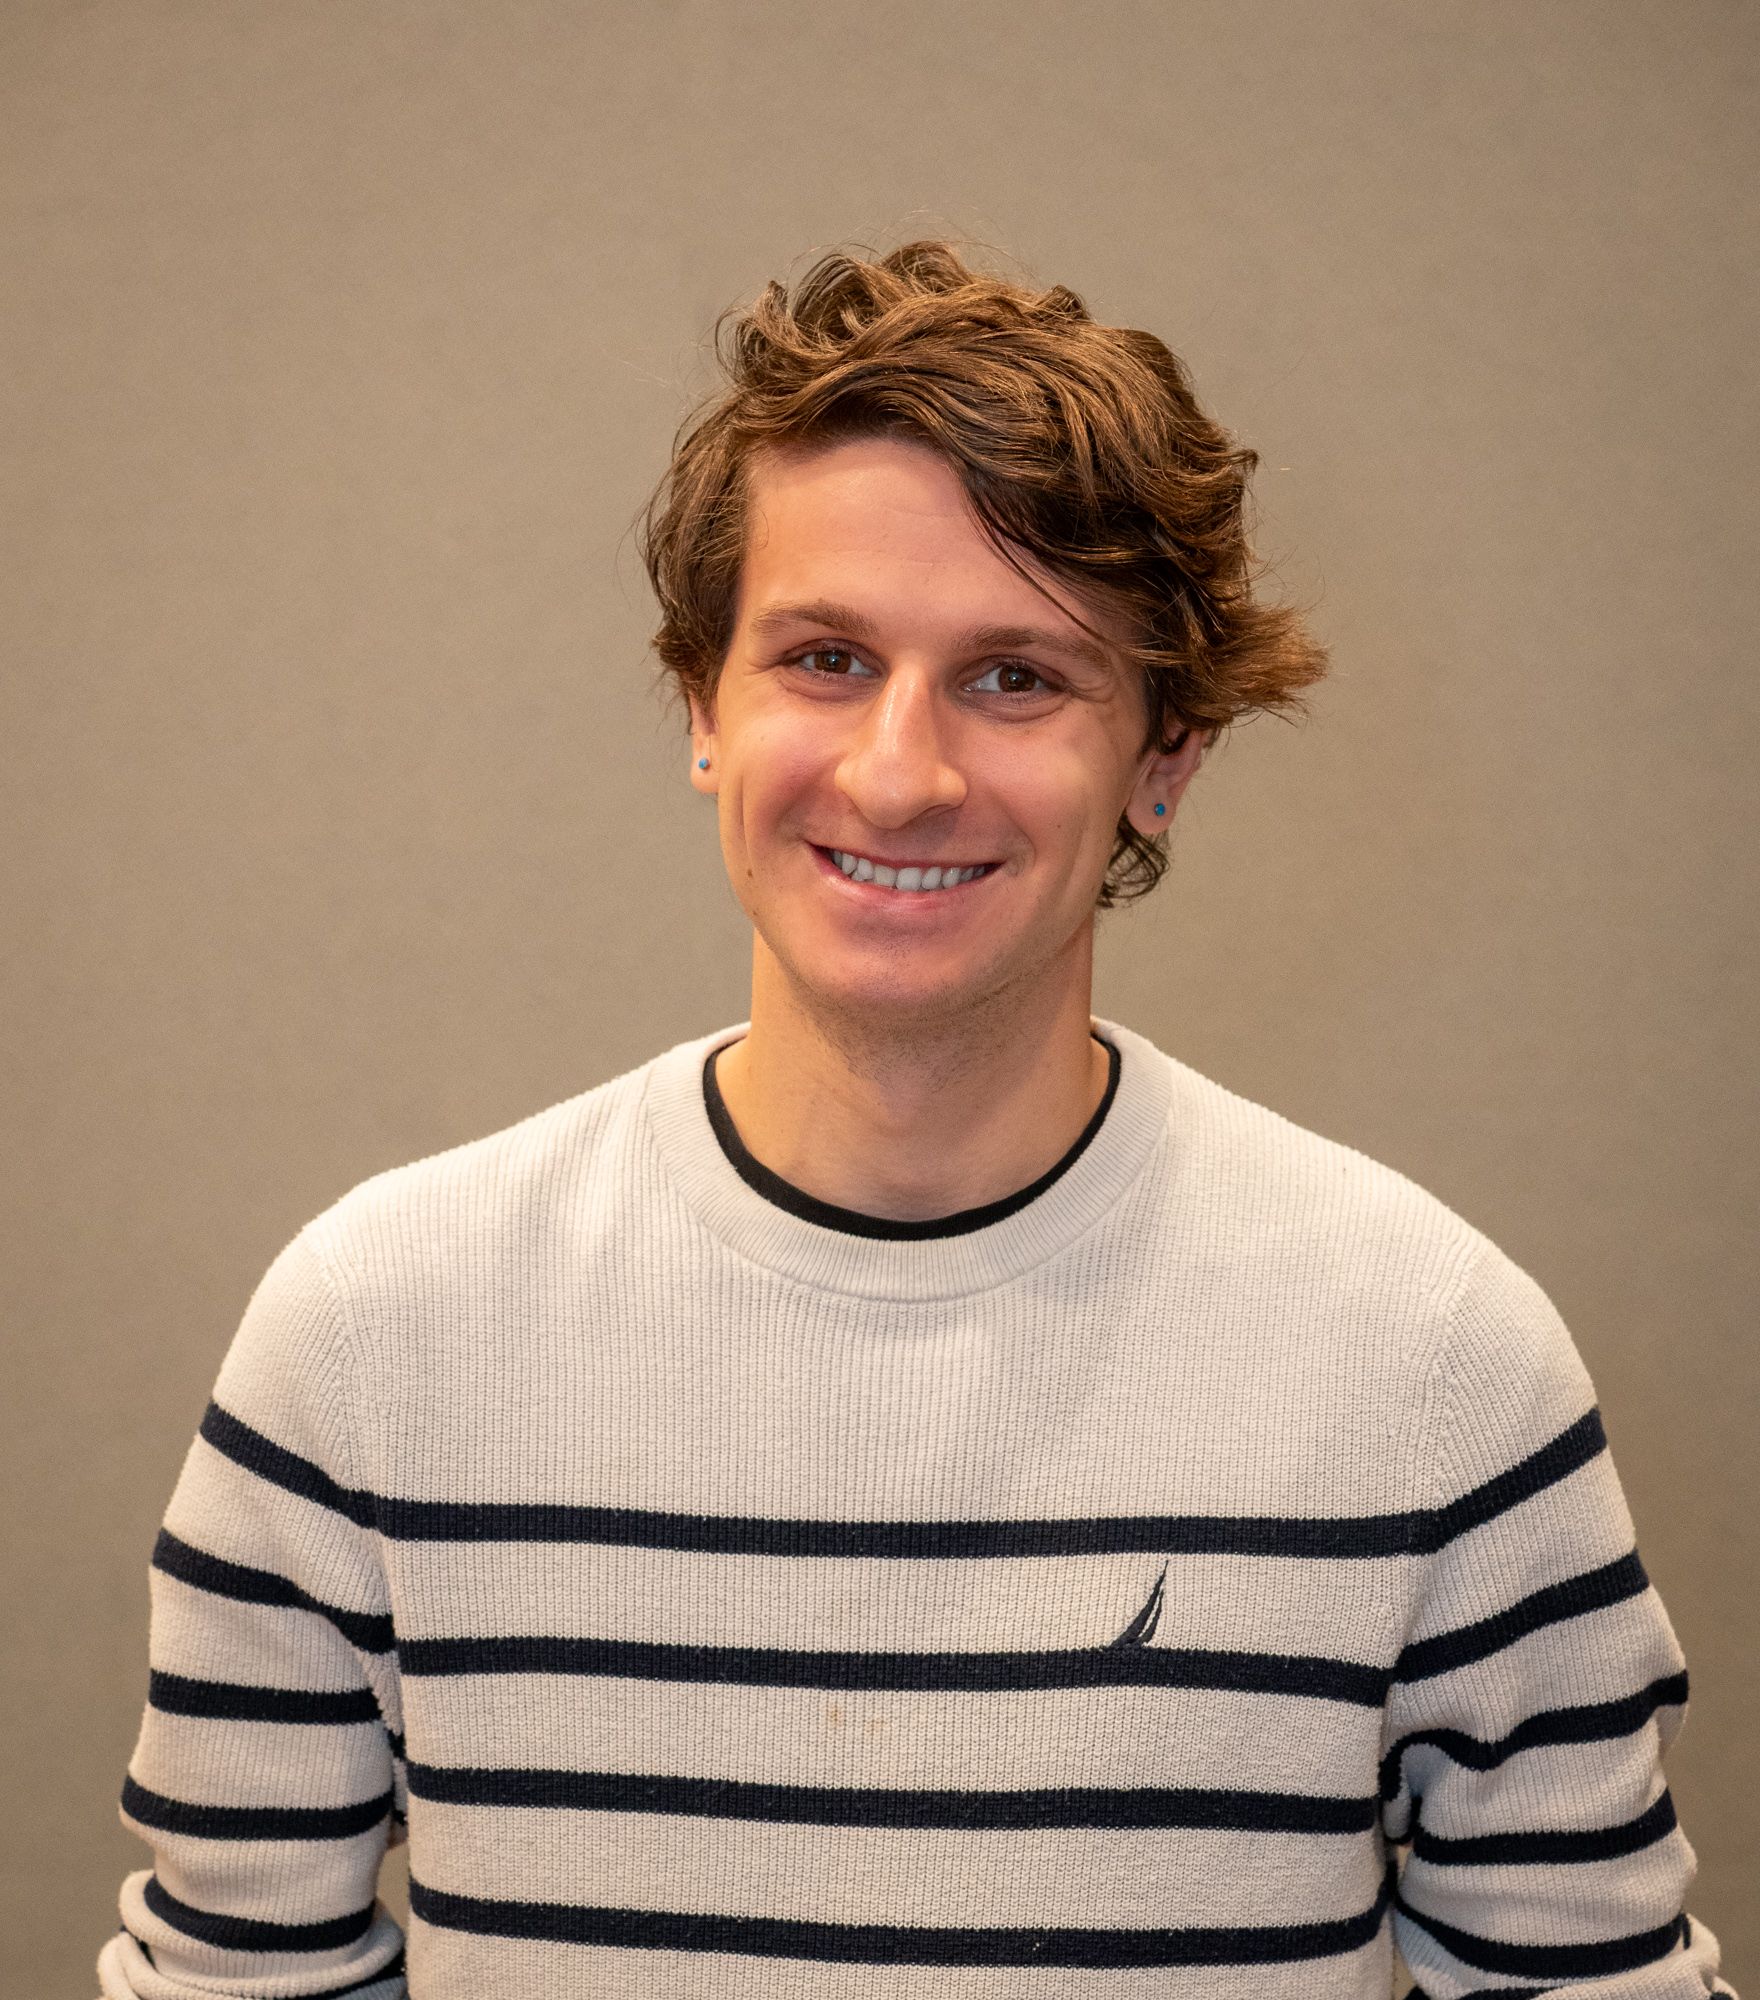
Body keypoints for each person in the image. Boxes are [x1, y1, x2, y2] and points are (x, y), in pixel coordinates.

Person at [99, 241, 1732, 2000]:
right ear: (701, 709)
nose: (899, 771)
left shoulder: (1439, 1366)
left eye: (1017, 677)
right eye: (822, 656)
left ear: (1165, 755)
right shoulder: (368, 1343)